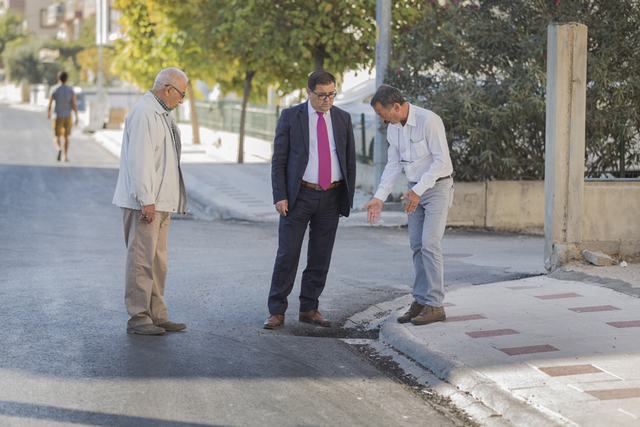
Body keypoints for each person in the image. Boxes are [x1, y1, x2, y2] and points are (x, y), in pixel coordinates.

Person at [264, 70, 356, 330]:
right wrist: (279, 195)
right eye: (322, 95)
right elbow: (279, 160)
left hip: (331, 195)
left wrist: (346, 197)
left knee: (320, 256)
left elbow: (349, 159)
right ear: (309, 93)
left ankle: (309, 308)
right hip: (298, 196)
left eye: (331, 95)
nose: (327, 100)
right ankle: (276, 310)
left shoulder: (342, 118)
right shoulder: (291, 117)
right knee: (288, 254)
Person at [365, 84, 454, 326]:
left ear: (396, 106)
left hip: (436, 187)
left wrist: (418, 190)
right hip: (414, 190)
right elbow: (393, 165)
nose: (382, 119)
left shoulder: (429, 121)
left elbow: (442, 163)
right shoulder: (394, 129)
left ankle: (435, 305)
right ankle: (421, 300)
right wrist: (379, 197)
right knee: (416, 245)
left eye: (383, 113)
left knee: (430, 244)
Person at [112, 67, 189, 335]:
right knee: (141, 261)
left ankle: (157, 314)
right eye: (181, 94)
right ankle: (139, 317)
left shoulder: (161, 113)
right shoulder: (145, 113)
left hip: (161, 202)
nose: (182, 100)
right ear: (168, 89)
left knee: (158, 262)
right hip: (145, 203)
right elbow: (140, 160)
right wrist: (146, 199)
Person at [47, 71, 78, 162]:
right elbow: (74, 104)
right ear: (66, 79)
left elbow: (50, 103)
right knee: (66, 137)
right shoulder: (70, 90)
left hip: (57, 116)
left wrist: (48, 113)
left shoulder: (54, 89)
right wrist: (76, 116)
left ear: (58, 78)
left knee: (56, 136)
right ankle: (65, 156)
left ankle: (59, 149)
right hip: (68, 116)